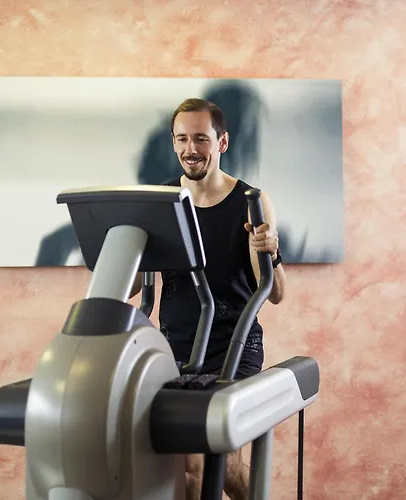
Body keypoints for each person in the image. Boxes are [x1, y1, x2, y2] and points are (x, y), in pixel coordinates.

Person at [128, 98, 287, 500]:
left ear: (222, 142)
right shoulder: (161, 200)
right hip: (173, 348)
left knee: (217, 462)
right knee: (194, 469)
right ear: (173, 143)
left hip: (234, 345)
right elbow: (128, 288)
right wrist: (116, 253)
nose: (191, 149)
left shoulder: (250, 201)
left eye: (201, 138)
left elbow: (275, 292)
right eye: (182, 139)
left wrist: (269, 251)